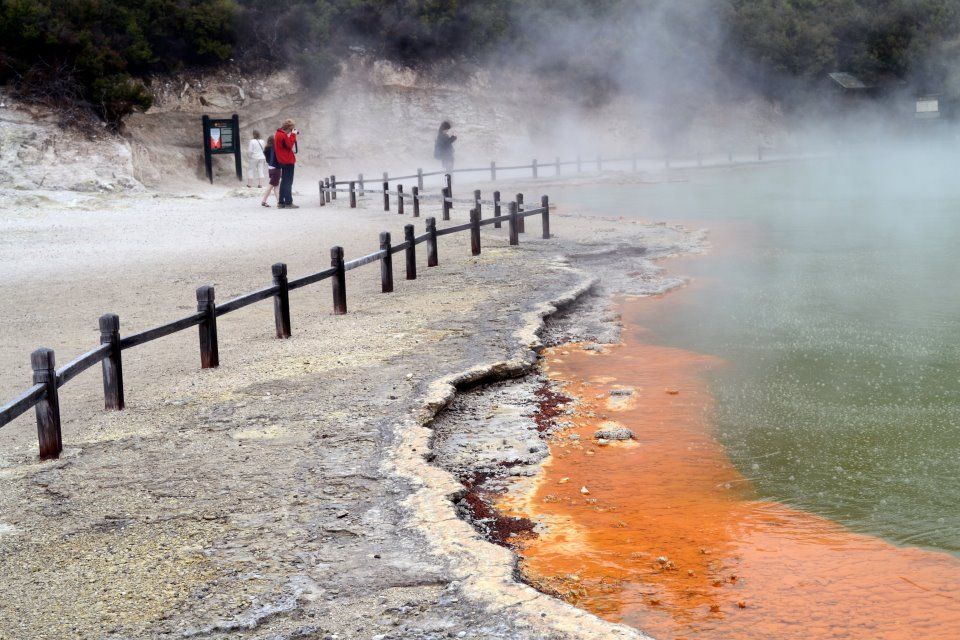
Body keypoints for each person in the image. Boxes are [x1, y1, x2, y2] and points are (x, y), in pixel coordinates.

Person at [274, 119, 299, 209]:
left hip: (282, 160)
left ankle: (281, 202)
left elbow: (285, 146)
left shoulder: (278, 133)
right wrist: (293, 135)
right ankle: (288, 202)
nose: (293, 129)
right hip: (287, 160)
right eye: (292, 128)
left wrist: (290, 134)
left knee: (284, 181)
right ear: (289, 127)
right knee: (288, 182)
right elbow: (289, 145)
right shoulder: (283, 135)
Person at [261, 135, 280, 208]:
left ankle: (279, 201)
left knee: (276, 185)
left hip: (270, 168)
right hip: (276, 168)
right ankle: (264, 200)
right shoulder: (274, 148)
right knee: (271, 185)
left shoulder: (266, 148)